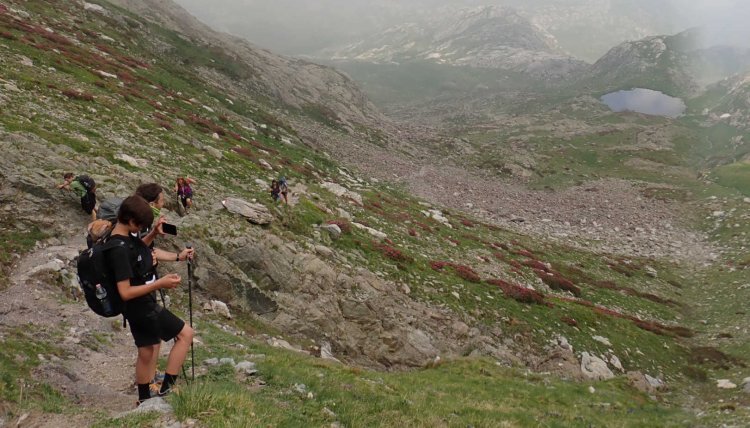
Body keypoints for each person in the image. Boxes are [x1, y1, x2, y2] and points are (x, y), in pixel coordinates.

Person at [105, 195, 194, 406]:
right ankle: (167, 390)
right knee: (186, 334)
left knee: (147, 350)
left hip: (134, 308)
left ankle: (144, 398)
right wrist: (159, 283)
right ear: (131, 221)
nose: (140, 230)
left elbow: (136, 251)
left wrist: (153, 233)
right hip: (140, 306)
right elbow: (125, 292)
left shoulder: (120, 238)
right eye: (140, 226)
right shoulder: (118, 249)